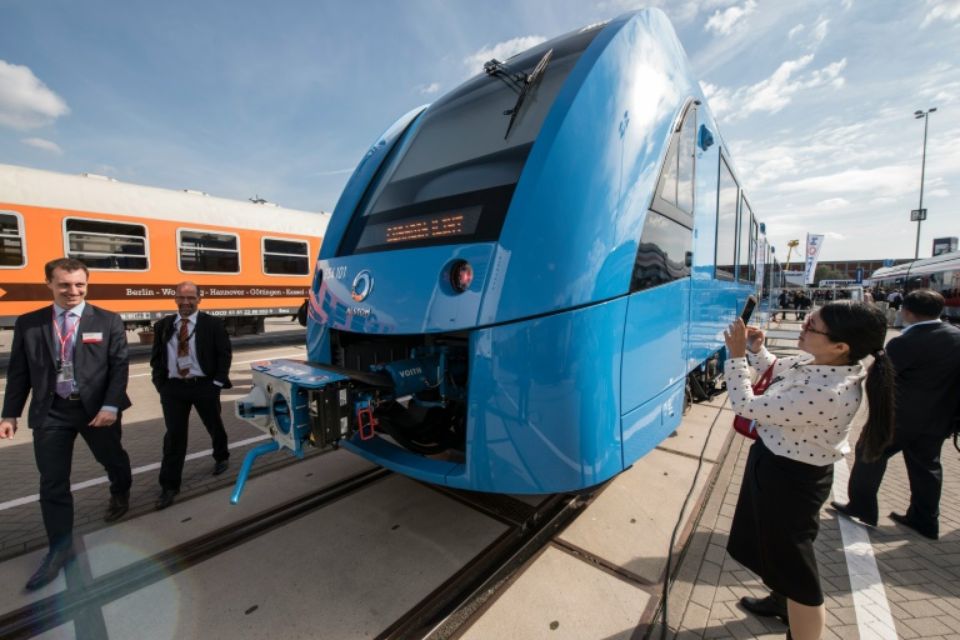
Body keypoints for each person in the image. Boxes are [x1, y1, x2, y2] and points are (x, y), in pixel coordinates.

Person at [723, 301, 893, 640]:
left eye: (811, 326)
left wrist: (737, 356)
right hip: (777, 466)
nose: (803, 326)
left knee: (798, 571)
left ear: (840, 346)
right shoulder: (821, 363)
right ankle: (780, 600)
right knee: (776, 551)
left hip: (791, 480)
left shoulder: (830, 393)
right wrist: (758, 350)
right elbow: (776, 368)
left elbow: (746, 405)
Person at [0, 258, 133, 591]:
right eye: (64, 285)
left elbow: (119, 367)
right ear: (49, 284)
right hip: (51, 412)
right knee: (52, 482)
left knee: (112, 459)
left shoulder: (107, 320)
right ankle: (59, 551)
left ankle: (121, 490)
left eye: (80, 285)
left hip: (97, 411)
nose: (73, 291)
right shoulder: (29, 324)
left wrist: (111, 405)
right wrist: (9, 413)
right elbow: (18, 373)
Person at [832, 289, 960, 540]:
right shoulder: (957, 336)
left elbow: (884, 378)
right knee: (927, 468)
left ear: (907, 311)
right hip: (939, 419)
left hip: (897, 419)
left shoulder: (904, 342)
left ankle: (862, 508)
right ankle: (926, 520)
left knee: (870, 453)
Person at [150, 282, 233, 510]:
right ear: (174, 299)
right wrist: (160, 384)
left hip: (204, 385)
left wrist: (216, 383)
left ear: (199, 299)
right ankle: (169, 485)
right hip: (174, 389)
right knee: (174, 436)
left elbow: (224, 355)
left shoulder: (213, 324)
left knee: (213, 424)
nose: (185, 302)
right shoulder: (164, 325)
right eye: (181, 297)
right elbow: (157, 358)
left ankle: (221, 455)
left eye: (190, 298)